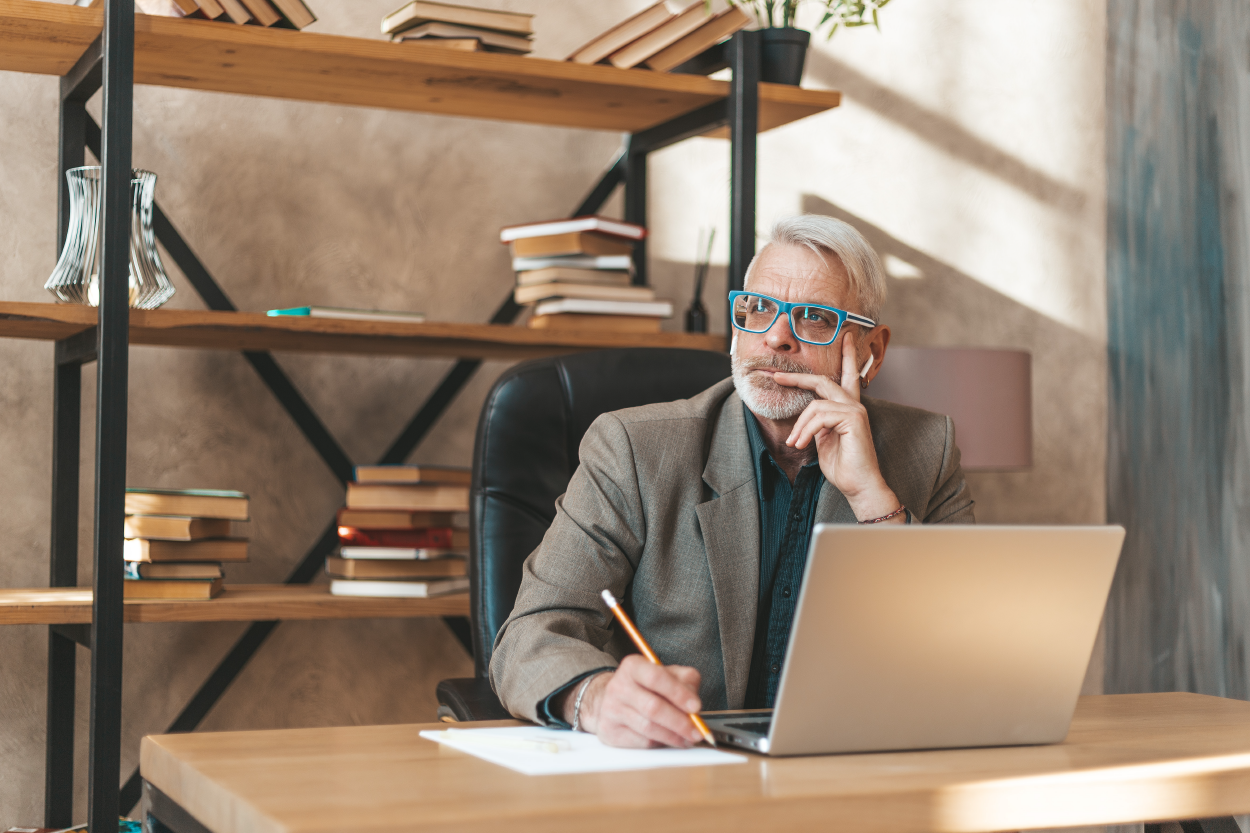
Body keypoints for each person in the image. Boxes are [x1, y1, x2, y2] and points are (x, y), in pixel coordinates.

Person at [489, 215, 975, 749]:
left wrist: (870, 498)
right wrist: (599, 698)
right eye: (758, 308)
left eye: (814, 318)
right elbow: (530, 636)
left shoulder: (927, 449)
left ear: (871, 353)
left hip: (852, 770)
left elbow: (967, 657)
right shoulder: (633, 448)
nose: (776, 337)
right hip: (688, 773)